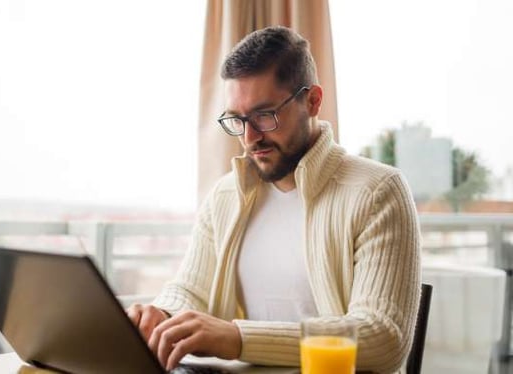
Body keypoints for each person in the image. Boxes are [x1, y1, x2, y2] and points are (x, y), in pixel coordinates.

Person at [127, 25, 420, 373]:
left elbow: (383, 338)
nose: (250, 137)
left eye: (265, 115)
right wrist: (163, 315)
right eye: (237, 119)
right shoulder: (224, 196)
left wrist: (237, 338)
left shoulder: (378, 191)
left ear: (312, 101)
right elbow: (191, 289)